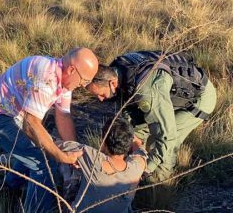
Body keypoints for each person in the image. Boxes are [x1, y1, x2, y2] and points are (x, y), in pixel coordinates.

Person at [0, 47, 99, 212]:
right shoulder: (47, 78)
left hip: (14, 116)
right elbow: (31, 125)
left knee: (38, 148)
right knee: (45, 162)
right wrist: (61, 156)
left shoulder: (63, 80)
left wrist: (73, 150)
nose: (83, 86)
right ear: (71, 70)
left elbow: (63, 116)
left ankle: (8, 190)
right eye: (84, 81)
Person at [85, 51, 217, 181]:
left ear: (112, 83)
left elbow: (167, 136)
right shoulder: (118, 70)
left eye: (101, 94)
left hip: (196, 100)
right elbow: (128, 111)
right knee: (130, 136)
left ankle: (159, 182)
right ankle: (126, 172)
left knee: (162, 142)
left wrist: (148, 169)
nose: (100, 99)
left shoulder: (147, 91)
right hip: (167, 96)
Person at [58, 118, 148, 213]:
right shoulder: (137, 166)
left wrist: (68, 158)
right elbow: (141, 151)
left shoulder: (91, 156)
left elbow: (56, 145)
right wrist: (133, 139)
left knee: (66, 166)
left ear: (103, 140)